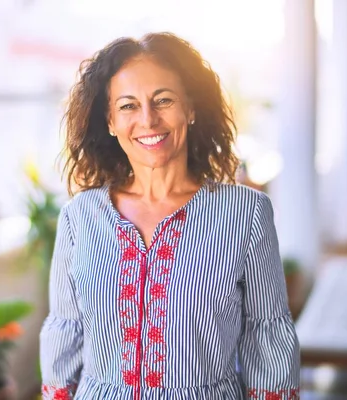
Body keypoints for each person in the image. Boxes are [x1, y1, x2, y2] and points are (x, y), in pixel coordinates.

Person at [40, 32, 300, 400]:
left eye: (163, 100)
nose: (148, 119)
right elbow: (64, 333)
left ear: (190, 109)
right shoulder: (79, 218)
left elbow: (266, 334)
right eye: (128, 106)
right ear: (111, 121)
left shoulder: (246, 214)